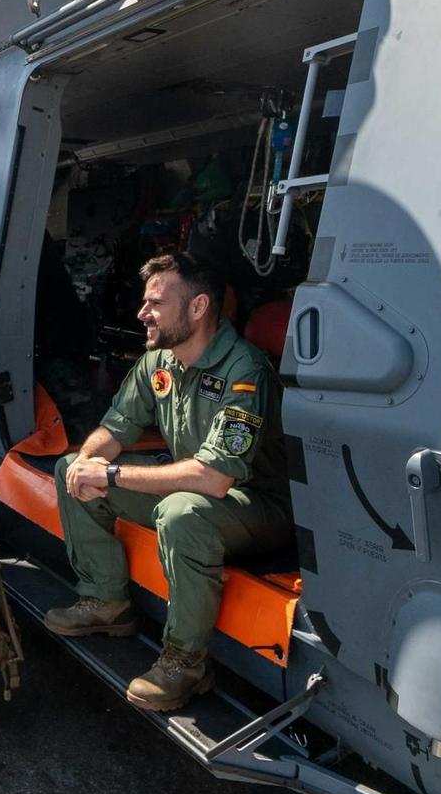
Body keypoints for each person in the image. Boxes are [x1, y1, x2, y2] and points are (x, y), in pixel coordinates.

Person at [45, 252, 292, 711]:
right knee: (70, 468)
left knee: (180, 514)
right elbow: (116, 427)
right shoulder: (158, 361)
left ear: (197, 308)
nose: (142, 313)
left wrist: (112, 473)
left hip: (257, 505)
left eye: (156, 303)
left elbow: (216, 478)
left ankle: (187, 662)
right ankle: (105, 600)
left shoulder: (244, 371)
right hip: (199, 491)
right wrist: (89, 461)